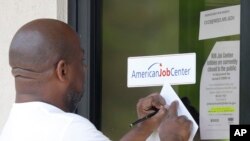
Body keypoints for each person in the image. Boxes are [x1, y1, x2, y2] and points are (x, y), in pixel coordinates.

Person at [0, 19, 192, 141]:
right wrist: (173, 138)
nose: (85, 68)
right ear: (63, 70)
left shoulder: (14, 128)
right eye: (81, 61)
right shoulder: (68, 129)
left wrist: (145, 127)